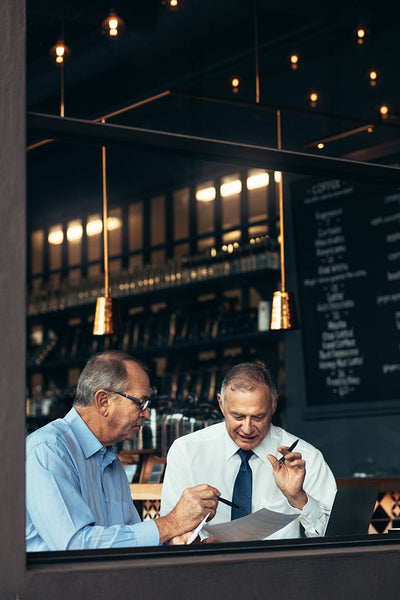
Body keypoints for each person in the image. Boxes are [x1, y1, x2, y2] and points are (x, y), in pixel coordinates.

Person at [26, 351, 220, 551]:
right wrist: (173, 523)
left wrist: (177, 543)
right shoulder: (47, 450)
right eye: (140, 403)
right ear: (103, 401)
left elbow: (128, 541)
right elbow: (76, 545)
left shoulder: (110, 461)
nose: (146, 414)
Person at [161, 362, 337, 539]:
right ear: (221, 404)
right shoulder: (187, 452)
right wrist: (194, 541)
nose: (247, 428)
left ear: (274, 405)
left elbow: (333, 537)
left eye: (258, 417)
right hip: (210, 564)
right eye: (237, 416)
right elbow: (172, 533)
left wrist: (299, 498)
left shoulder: (306, 458)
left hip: (280, 565)